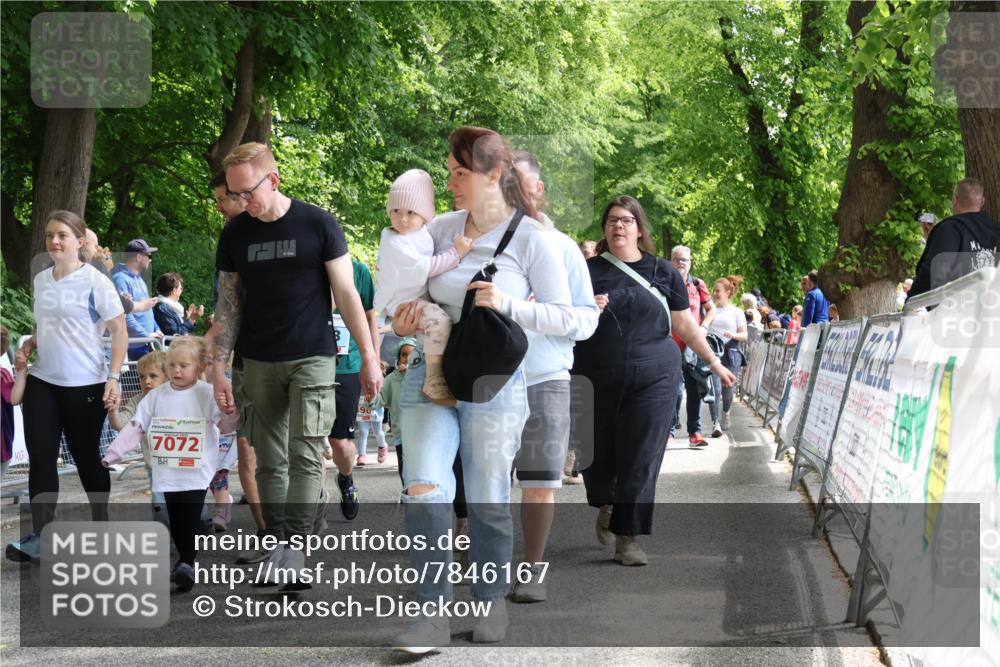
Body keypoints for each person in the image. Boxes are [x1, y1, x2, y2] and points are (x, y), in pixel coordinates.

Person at [390, 126, 577, 652]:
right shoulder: (440, 227)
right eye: (448, 171)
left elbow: (569, 318)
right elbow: (399, 292)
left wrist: (507, 304)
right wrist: (399, 320)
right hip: (429, 375)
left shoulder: (534, 238)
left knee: (488, 495)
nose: (449, 182)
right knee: (423, 485)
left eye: (459, 173)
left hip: (494, 382)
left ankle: (488, 602)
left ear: (494, 175)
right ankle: (429, 615)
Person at [209, 143, 382, 587]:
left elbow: (347, 295)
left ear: (274, 179)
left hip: (312, 356)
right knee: (268, 461)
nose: (241, 203)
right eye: (235, 195)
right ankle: (279, 543)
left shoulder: (317, 223)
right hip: (257, 360)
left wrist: (369, 357)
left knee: (306, 455)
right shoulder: (235, 234)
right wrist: (218, 367)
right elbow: (228, 306)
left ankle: (296, 550)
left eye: (248, 192)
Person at [573, 196, 736, 568]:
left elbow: (683, 323)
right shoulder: (585, 272)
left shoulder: (664, 271)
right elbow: (564, 320)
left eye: (627, 220)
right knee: (596, 453)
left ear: (640, 228)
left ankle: (628, 537)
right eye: (612, 220)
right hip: (594, 372)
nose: (619, 226)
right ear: (604, 228)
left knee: (643, 454)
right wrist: (583, 310)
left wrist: (713, 361)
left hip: (655, 374)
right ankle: (608, 502)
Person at [5, 211, 128, 563]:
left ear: (78, 240)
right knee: (41, 460)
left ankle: (101, 528)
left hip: (84, 384)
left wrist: (114, 377)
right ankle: (42, 538)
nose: (54, 242)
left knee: (88, 459)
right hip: (43, 382)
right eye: (49, 236)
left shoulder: (95, 282)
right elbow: (45, 326)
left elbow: (119, 332)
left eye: (62, 235)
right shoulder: (42, 280)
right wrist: (30, 344)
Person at [509, 150, 599, 602]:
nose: (511, 193)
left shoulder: (562, 247)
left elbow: (586, 320)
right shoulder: (481, 242)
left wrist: (536, 315)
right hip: (490, 379)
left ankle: (532, 567)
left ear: (539, 190)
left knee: (540, 481)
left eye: (520, 183)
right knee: (482, 482)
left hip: (546, 376)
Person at [102, 338, 235, 592]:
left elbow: (225, 425)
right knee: (175, 518)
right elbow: (136, 427)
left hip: (197, 470)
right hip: (166, 470)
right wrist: (114, 453)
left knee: (191, 514)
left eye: (184, 365)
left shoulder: (206, 393)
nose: (176, 370)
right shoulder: (156, 396)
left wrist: (231, 412)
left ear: (198, 366)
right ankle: (185, 559)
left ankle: (186, 562)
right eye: (172, 365)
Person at [206, 171, 266, 560]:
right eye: (216, 201)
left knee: (283, 456)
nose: (220, 207)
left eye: (224, 199)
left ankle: (301, 520)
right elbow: (224, 310)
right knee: (247, 451)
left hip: (282, 359)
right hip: (240, 361)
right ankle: (267, 532)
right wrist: (215, 364)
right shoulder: (229, 240)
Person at [374, 168, 474, 402]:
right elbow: (426, 267)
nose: (403, 218)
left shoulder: (423, 233)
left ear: (425, 214)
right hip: (405, 303)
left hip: (419, 297)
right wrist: (455, 253)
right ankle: (434, 379)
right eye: (396, 211)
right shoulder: (393, 241)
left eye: (411, 212)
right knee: (438, 321)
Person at [327, 259, 379, 519]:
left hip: (347, 365)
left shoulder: (358, 271)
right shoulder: (302, 265)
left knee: (341, 443)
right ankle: (310, 501)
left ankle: (345, 478)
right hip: (309, 362)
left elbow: (371, 316)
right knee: (307, 441)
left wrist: (374, 362)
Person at [106, 350, 170, 528]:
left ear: (167, 377)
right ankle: (167, 542)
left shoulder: (177, 399)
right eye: (142, 377)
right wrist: (113, 411)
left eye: (153, 376)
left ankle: (202, 526)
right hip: (156, 468)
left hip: (183, 465)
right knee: (160, 507)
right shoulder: (137, 401)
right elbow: (121, 425)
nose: (146, 381)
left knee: (190, 507)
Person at [909, 177, 1000, 299]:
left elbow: (934, 272)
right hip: (991, 309)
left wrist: (911, 301)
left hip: (957, 310)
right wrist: (935, 238)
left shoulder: (950, 229)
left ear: (955, 200)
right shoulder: (996, 231)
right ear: (982, 201)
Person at [669, 245, 716, 446]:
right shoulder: (663, 281)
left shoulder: (697, 284)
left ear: (690, 263)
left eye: (685, 260)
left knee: (694, 386)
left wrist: (704, 326)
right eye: (677, 259)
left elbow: (711, 309)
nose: (681, 263)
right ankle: (668, 432)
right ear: (670, 261)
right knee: (673, 389)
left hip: (692, 345)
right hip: (669, 343)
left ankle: (694, 433)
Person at [707, 276, 748, 434]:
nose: (715, 293)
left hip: (731, 353)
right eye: (714, 290)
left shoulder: (736, 312)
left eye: (718, 291)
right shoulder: (711, 310)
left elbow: (744, 335)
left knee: (727, 391)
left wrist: (733, 334)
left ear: (728, 292)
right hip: (713, 353)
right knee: (714, 389)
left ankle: (725, 412)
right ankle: (715, 423)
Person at [112, 239, 163, 360]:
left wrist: (157, 329)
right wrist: (146, 335)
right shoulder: (120, 279)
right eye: (149, 255)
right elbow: (124, 313)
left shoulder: (140, 279)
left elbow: (147, 309)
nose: (150, 259)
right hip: (134, 346)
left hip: (147, 342)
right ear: (139, 257)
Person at [377, 338, 416, 483]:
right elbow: (382, 400)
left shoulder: (424, 377)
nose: (407, 359)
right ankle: (407, 496)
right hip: (400, 432)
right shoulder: (391, 379)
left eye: (412, 355)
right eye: (404, 354)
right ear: (398, 357)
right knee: (404, 470)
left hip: (421, 433)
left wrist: (411, 375)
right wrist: (370, 400)